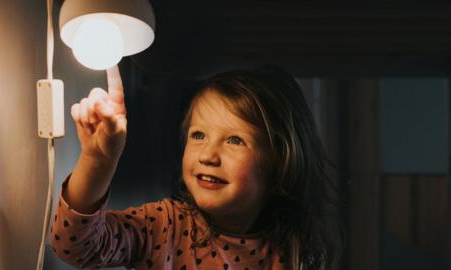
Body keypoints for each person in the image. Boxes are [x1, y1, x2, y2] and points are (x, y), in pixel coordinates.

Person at [51, 65, 342, 269]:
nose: (208, 156)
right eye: (198, 135)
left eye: (235, 140)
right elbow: (75, 246)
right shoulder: (164, 226)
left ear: (280, 160)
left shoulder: (291, 250)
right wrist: (99, 160)